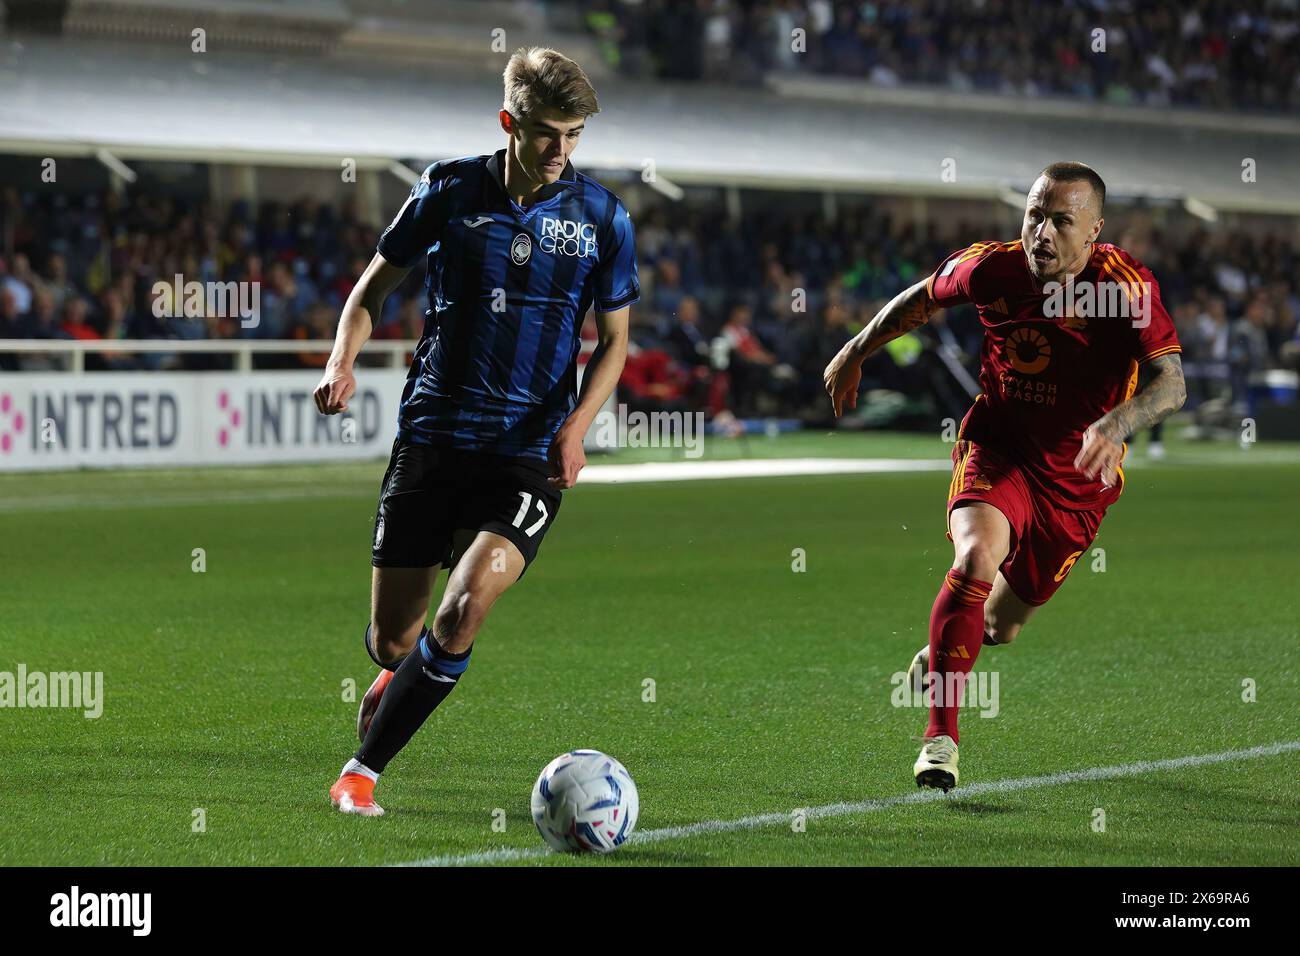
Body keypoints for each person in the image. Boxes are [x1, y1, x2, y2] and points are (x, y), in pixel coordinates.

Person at [314, 47, 638, 816]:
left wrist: (576, 428)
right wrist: (341, 360)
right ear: (510, 123)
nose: (562, 152)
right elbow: (370, 289)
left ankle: (361, 772)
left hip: (527, 455)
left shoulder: (601, 218)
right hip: (433, 437)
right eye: (547, 134)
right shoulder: (448, 188)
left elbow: (616, 341)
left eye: (575, 135)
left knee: (463, 610)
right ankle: (402, 673)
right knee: (396, 640)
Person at [824, 162, 1185, 790]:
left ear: (1094, 230)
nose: (1041, 233)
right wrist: (857, 350)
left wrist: (1120, 422)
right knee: (974, 559)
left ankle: (948, 650)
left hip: (1077, 479)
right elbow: (922, 298)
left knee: (1001, 625)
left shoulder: (1125, 288)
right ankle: (940, 739)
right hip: (999, 447)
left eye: (1060, 222)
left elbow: (1172, 382)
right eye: (1034, 215)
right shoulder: (994, 266)